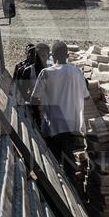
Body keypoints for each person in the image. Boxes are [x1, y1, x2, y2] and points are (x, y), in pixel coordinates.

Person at [30, 41, 90, 189]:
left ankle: (55, 195)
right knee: (69, 161)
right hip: (72, 124)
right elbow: (86, 96)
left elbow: (34, 98)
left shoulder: (46, 73)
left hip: (53, 125)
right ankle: (73, 194)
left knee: (52, 164)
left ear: (52, 55)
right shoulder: (77, 72)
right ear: (67, 55)